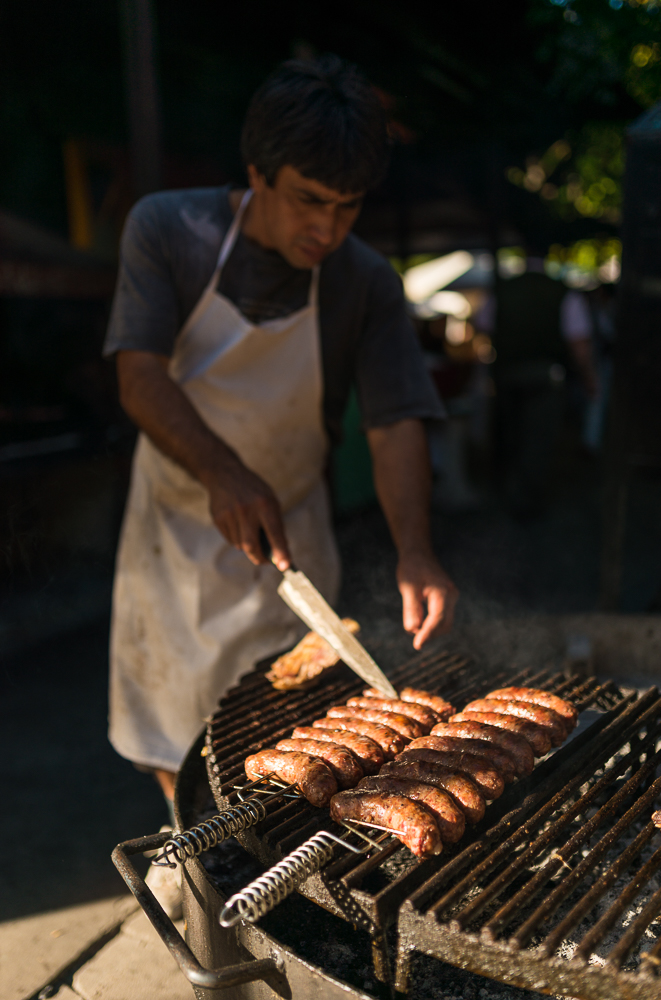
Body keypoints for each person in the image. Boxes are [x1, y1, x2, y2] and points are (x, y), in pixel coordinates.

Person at [104, 56, 458, 819]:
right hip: (174, 537)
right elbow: (139, 377)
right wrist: (222, 473)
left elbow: (394, 421)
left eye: (348, 206)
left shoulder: (365, 281)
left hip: (293, 546)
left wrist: (415, 549)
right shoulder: (167, 229)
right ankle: (192, 855)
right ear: (258, 172)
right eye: (308, 200)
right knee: (175, 737)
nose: (326, 228)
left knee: (296, 743)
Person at [476, 253, 598, 516]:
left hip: (507, 372)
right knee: (537, 437)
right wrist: (589, 378)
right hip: (546, 374)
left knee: (512, 432)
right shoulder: (561, 292)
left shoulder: (503, 289)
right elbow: (578, 343)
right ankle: (525, 501)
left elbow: (483, 326)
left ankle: (508, 493)